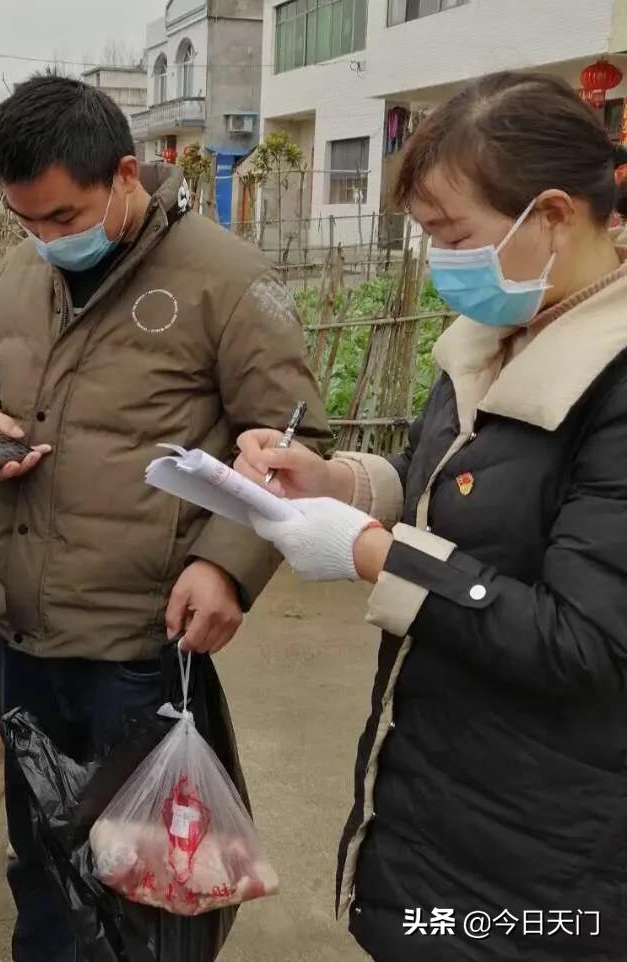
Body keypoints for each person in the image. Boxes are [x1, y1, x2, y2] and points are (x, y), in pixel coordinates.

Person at [0, 75, 330, 961]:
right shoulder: (16, 273)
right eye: (25, 221)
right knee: (40, 851)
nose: (45, 239)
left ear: (125, 175)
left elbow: (294, 442)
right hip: (25, 633)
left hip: (140, 643)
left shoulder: (224, 279)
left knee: (146, 871)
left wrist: (227, 564)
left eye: (63, 217)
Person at [235, 71, 627, 961]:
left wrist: (375, 555)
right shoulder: (498, 339)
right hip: (443, 791)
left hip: (553, 850)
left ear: (553, 216)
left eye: (452, 236)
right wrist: (338, 482)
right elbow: (445, 486)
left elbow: (586, 643)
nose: (439, 261)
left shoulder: (613, 382)